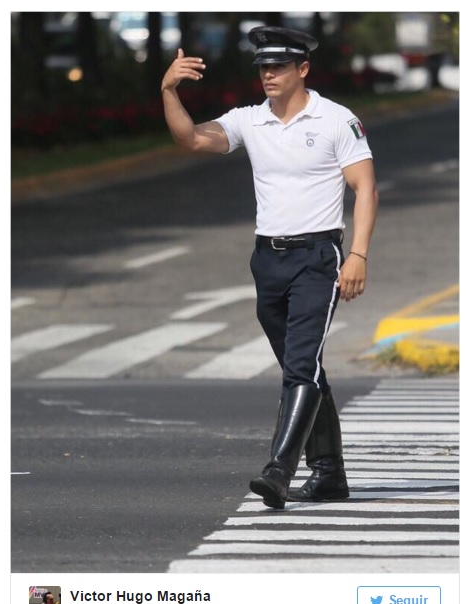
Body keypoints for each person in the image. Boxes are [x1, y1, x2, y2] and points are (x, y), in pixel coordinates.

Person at [161, 25, 378, 509]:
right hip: (267, 260)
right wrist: (169, 90)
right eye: (262, 67)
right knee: (305, 370)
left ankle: (279, 470)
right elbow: (193, 140)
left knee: (299, 367)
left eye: (278, 67)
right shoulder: (249, 120)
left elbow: (365, 188)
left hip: (318, 259)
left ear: (303, 69)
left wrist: (358, 255)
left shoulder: (336, 121)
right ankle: (329, 475)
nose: (268, 75)